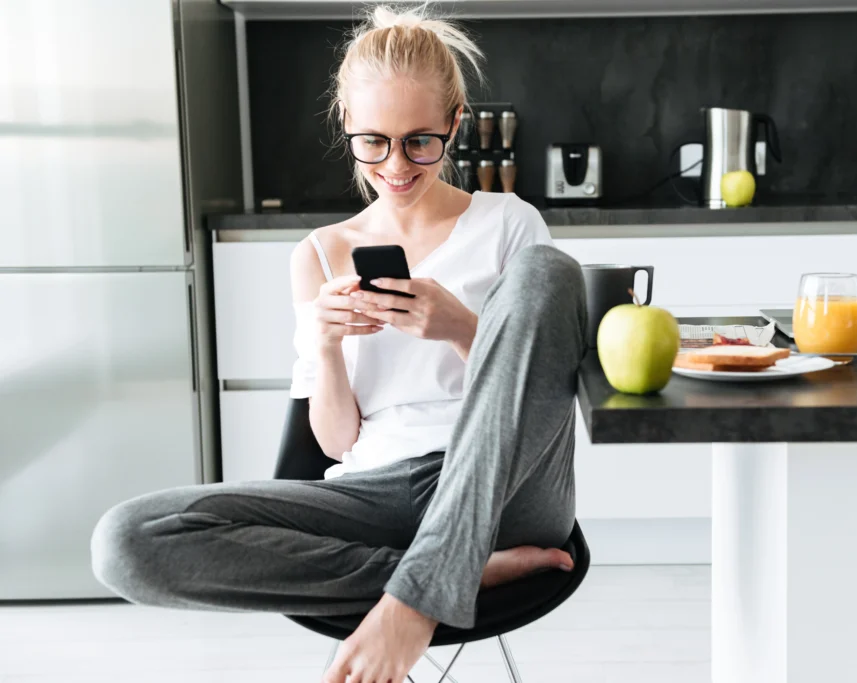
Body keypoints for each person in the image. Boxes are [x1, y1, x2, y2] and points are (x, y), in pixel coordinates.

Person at [90, 5, 588, 683]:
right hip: (375, 494)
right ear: (347, 129)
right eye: (373, 141)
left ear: (453, 123)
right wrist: (322, 348)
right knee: (124, 542)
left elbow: (540, 397)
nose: (396, 165)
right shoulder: (320, 253)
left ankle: (415, 598)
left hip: (508, 491)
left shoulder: (509, 224)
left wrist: (460, 328)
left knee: (550, 275)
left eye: (420, 141)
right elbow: (333, 442)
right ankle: (444, 572)